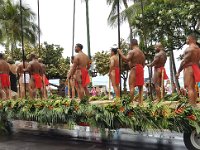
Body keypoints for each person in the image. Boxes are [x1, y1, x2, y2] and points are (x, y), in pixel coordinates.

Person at [118, 39, 145, 105]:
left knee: (131, 86)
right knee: (140, 87)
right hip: (141, 68)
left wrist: (120, 53)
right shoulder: (142, 53)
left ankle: (131, 103)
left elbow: (126, 59)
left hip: (134, 68)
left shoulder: (132, 51)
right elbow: (143, 64)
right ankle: (140, 103)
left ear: (132, 44)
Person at [176, 35, 200, 106]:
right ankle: (194, 105)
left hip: (189, 68)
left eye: (186, 39)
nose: (186, 40)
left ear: (190, 39)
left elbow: (184, 61)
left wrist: (178, 71)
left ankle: (192, 106)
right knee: (193, 88)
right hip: (196, 67)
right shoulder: (198, 48)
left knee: (189, 88)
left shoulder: (189, 49)